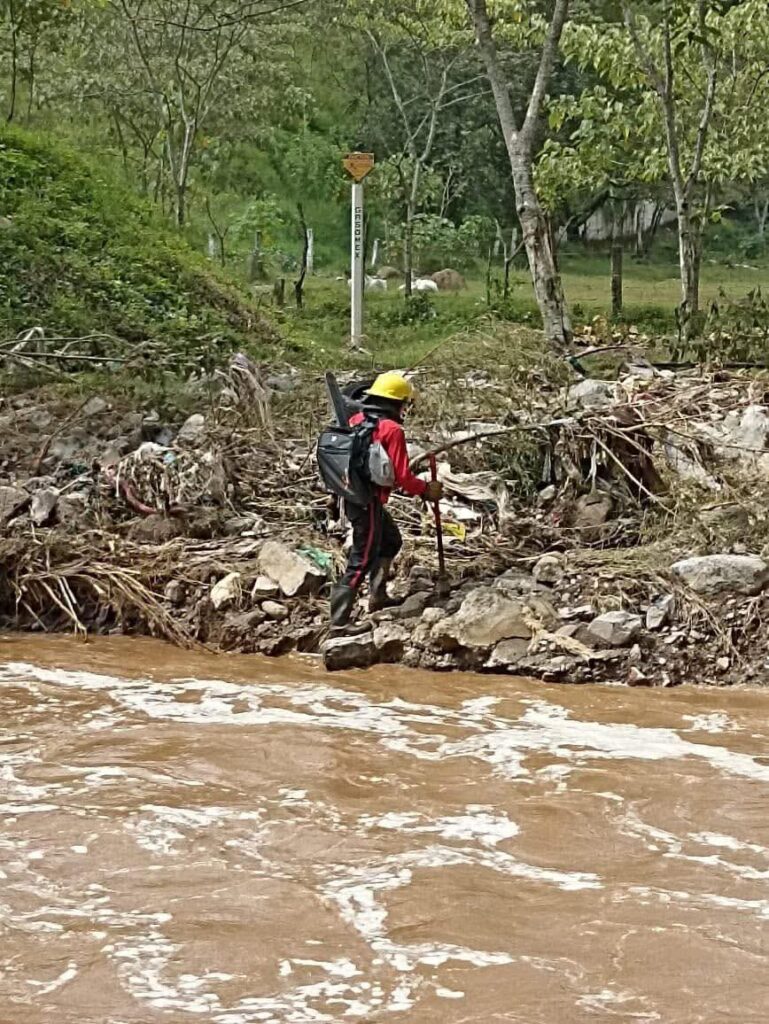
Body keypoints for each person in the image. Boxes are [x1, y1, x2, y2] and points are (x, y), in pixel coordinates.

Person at [329, 371, 443, 627]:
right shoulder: (392, 429)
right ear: (397, 403)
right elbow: (402, 477)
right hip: (366, 502)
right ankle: (338, 624)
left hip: (354, 496)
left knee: (391, 540)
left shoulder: (356, 419)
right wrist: (427, 489)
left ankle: (377, 596)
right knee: (361, 559)